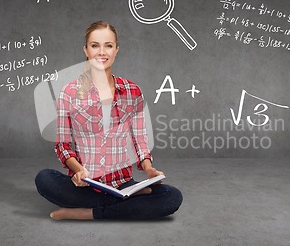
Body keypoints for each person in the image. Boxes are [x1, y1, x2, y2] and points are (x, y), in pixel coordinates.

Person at [35, 21, 183, 220]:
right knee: (44, 179)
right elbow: (62, 145)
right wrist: (79, 171)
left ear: (116, 50)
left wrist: (148, 169)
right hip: (86, 185)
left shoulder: (132, 91)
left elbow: (139, 140)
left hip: (122, 184)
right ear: (86, 50)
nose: (101, 52)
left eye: (108, 45)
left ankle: (88, 213)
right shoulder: (69, 92)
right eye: (95, 45)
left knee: (172, 197)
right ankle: (126, 205)